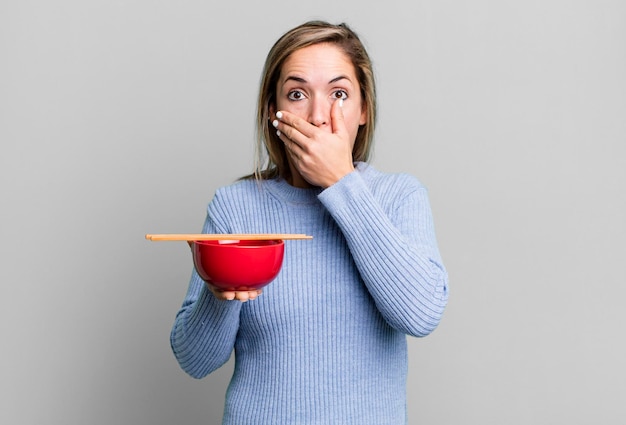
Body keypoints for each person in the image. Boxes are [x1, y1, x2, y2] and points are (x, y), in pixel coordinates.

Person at [170, 21, 449, 424]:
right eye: (297, 94)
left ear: (364, 109)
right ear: (272, 112)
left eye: (339, 94)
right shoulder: (236, 207)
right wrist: (220, 290)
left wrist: (341, 182)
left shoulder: (399, 197)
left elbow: (420, 315)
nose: (318, 117)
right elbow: (194, 361)